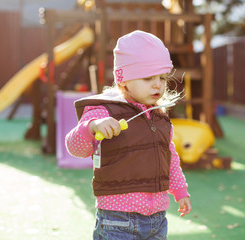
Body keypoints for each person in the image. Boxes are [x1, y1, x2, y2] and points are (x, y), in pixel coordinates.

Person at [65, 30, 191, 240]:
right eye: (148, 77)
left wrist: (180, 191)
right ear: (124, 80)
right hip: (117, 219)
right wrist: (92, 126)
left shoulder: (158, 116)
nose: (157, 84)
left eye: (162, 77)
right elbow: (74, 147)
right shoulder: (104, 111)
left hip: (157, 219)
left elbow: (170, 156)